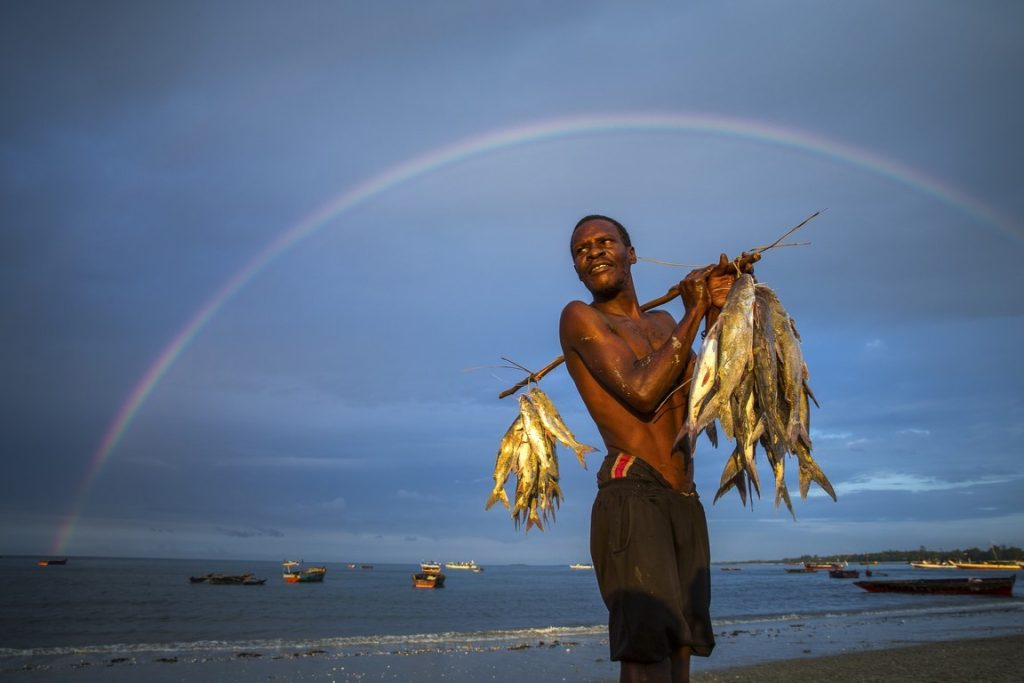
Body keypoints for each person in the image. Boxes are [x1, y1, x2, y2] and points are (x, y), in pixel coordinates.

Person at [559, 215, 744, 683]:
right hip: (633, 493)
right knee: (646, 655)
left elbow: (706, 393)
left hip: (683, 498)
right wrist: (695, 310)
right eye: (582, 250)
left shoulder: (665, 321)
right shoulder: (580, 317)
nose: (594, 252)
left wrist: (721, 307)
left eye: (606, 242)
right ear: (578, 270)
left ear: (631, 254)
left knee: (681, 644)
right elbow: (641, 390)